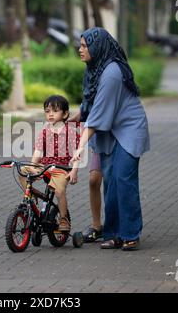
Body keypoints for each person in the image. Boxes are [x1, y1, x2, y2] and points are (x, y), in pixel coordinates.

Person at [72, 27, 150, 251]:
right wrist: (76, 116)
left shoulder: (112, 72)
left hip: (128, 128)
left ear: (97, 46)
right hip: (110, 130)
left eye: (85, 46)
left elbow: (99, 115)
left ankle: (130, 233)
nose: (80, 49)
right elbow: (92, 103)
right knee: (110, 182)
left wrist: (80, 147)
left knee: (123, 178)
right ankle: (114, 233)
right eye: (81, 45)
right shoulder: (94, 68)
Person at [19, 95, 81, 232]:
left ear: (65, 114)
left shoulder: (70, 132)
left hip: (61, 168)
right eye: (47, 111)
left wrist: (74, 170)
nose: (50, 114)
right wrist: (32, 166)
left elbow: (77, 154)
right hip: (45, 166)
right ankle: (31, 196)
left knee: (59, 191)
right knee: (22, 170)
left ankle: (64, 218)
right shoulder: (45, 131)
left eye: (55, 111)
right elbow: (38, 151)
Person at [69, 113, 104, 243]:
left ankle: (117, 226)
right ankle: (97, 226)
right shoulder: (90, 96)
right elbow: (87, 106)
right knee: (93, 181)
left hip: (115, 140)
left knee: (115, 184)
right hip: (99, 145)